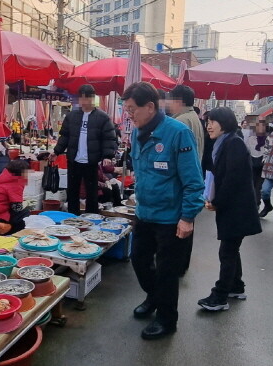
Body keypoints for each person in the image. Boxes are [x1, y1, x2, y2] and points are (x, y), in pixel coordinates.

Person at [123, 82, 204, 339]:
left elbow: (193, 181)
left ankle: (167, 320)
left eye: (132, 109)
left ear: (150, 107)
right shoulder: (136, 132)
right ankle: (154, 297)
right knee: (138, 260)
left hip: (171, 218)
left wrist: (187, 217)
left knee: (168, 271)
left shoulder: (178, 133)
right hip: (144, 212)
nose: (129, 114)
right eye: (126, 109)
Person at [197, 107, 262, 311]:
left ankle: (220, 296)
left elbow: (232, 180)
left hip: (237, 209)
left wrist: (216, 202)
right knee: (232, 250)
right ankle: (236, 286)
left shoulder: (233, 143)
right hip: (234, 208)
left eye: (213, 121)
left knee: (227, 252)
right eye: (207, 121)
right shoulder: (224, 142)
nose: (208, 125)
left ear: (224, 122)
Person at [51, 84, 117, 215]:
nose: (84, 102)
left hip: (91, 161)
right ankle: (72, 216)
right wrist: (56, 151)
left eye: (87, 99)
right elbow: (64, 136)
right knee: (72, 190)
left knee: (91, 191)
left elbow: (109, 138)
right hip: (74, 159)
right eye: (81, 98)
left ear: (93, 99)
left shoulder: (103, 117)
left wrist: (107, 156)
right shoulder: (71, 116)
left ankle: (91, 217)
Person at [168, 85, 205, 275]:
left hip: (182, 181)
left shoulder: (181, 121)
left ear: (179, 100)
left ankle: (178, 266)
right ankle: (183, 264)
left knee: (181, 225)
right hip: (192, 178)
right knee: (188, 226)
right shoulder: (195, 119)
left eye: (171, 99)